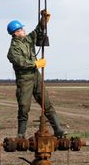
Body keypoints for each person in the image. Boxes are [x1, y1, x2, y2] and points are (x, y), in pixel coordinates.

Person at [6, 10, 65, 138]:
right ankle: (21, 135)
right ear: (16, 33)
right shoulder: (13, 50)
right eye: (21, 29)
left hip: (36, 77)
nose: (23, 30)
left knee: (46, 103)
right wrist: (35, 64)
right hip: (24, 80)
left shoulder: (27, 40)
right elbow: (20, 62)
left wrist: (44, 19)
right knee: (24, 108)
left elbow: (37, 31)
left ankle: (58, 130)